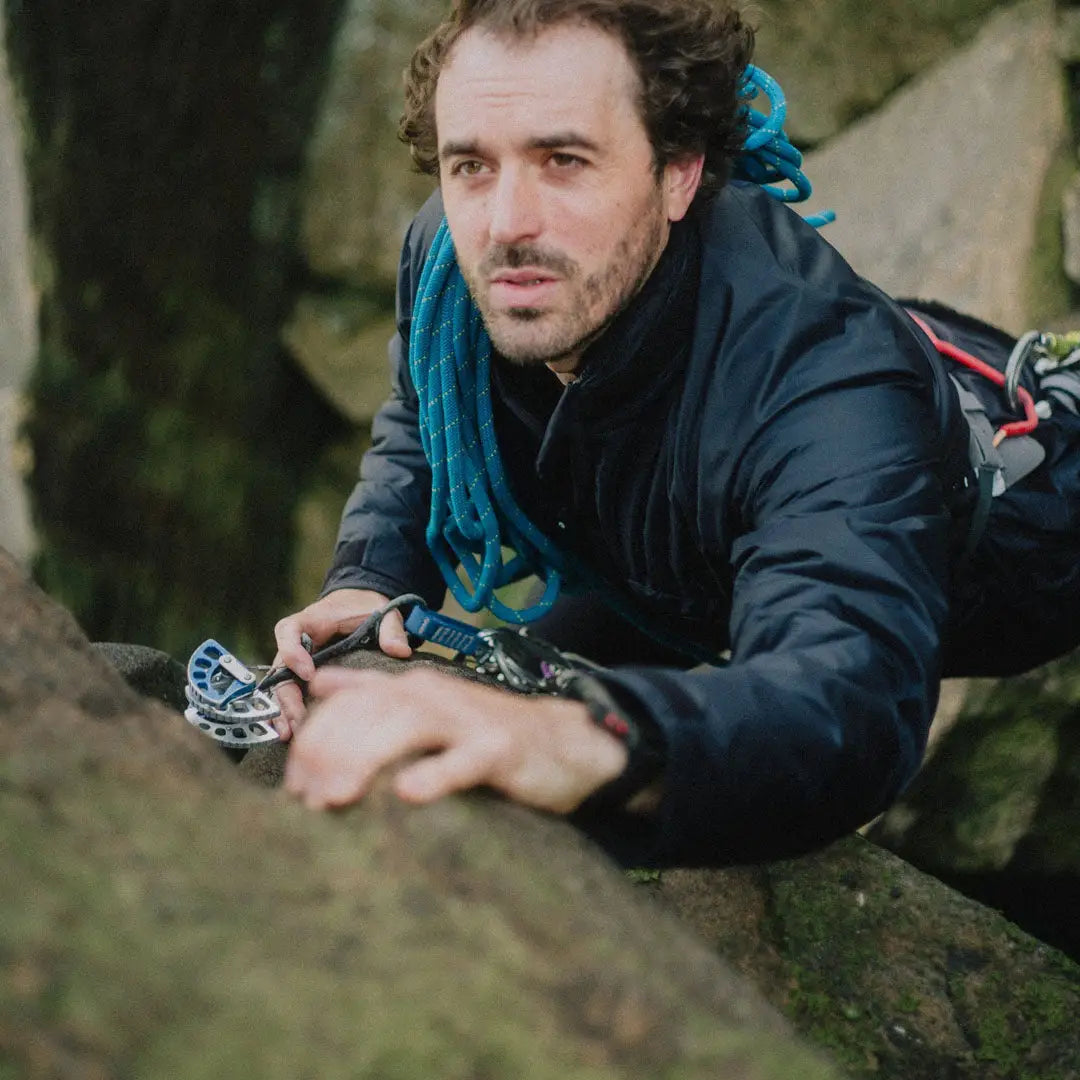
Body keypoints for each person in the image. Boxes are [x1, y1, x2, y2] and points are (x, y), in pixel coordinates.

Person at [270, 0, 1080, 868]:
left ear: (680, 171)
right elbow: (426, 407)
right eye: (472, 163)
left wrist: (577, 749)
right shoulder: (458, 256)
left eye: (565, 159)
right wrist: (370, 577)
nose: (505, 222)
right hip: (673, 538)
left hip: (1018, 519)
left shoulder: (826, 385)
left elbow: (850, 700)